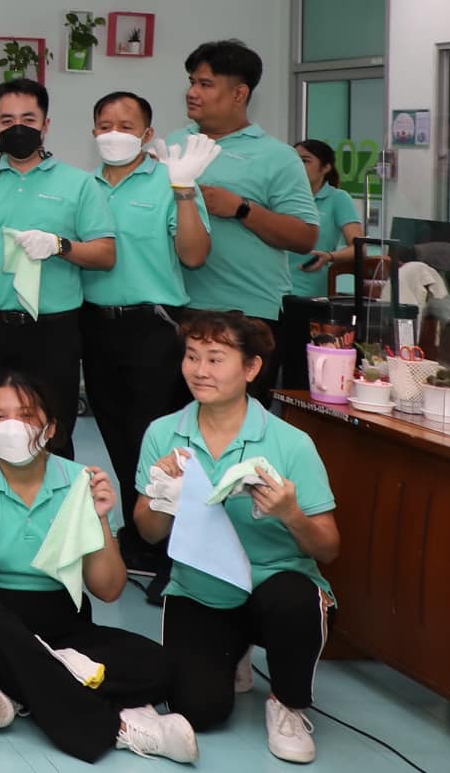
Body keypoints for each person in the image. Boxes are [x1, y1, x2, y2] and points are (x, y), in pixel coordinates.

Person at [0, 371, 195, 764]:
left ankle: (17, 684)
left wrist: (102, 519)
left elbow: (108, 589)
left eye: (26, 415)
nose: (11, 427)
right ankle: (116, 727)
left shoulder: (79, 482)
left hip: (60, 621)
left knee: (159, 666)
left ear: (51, 427)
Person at [135, 312, 339, 763]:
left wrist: (291, 514)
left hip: (274, 581)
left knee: (295, 600)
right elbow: (147, 532)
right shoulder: (164, 433)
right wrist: (164, 497)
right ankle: (233, 653)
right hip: (200, 587)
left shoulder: (291, 443)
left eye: (215, 359)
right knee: (198, 711)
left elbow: (328, 547)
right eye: (192, 357)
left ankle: (287, 704)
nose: (199, 370)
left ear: (251, 368)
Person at [0, 78, 116, 459]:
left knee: (53, 432)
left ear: (46, 125)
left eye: (28, 119)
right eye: (7, 120)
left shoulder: (79, 184)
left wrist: (60, 246)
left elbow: (105, 253)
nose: (18, 128)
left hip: (53, 330)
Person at [79, 91, 214, 576]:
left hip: (153, 325)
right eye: (105, 125)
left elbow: (195, 255)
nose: (114, 134)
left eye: (126, 125)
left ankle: (169, 546)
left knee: (153, 437)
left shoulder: (169, 180)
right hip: (95, 322)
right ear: (93, 132)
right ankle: (139, 534)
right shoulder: (84, 185)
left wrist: (184, 190)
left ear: (148, 134)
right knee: (114, 432)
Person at [163, 42, 319, 401]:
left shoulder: (277, 156)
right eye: (192, 82)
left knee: (236, 423)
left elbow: (305, 237)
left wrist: (241, 208)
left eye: (205, 84)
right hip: (177, 308)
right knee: (178, 422)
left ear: (239, 94)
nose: (192, 92)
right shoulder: (174, 144)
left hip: (245, 314)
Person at [287, 139, 363, 300]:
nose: (297, 166)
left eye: (305, 161)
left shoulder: (337, 198)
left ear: (326, 167)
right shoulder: (282, 196)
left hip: (307, 294)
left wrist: (330, 256)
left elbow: (359, 248)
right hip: (270, 289)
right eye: (294, 160)